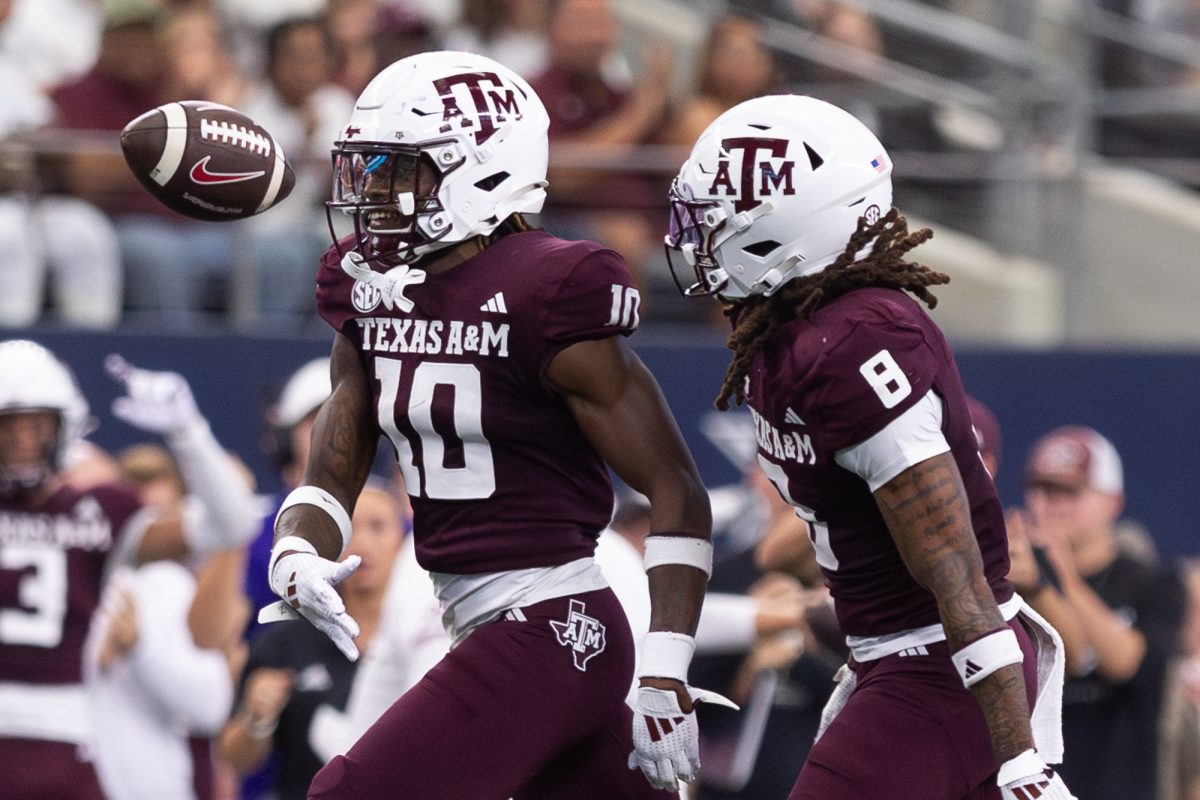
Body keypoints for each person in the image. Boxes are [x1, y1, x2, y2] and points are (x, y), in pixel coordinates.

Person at [260, 50, 726, 799]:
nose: (375, 190)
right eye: (371, 167)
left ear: (482, 169)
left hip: (555, 622)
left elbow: (676, 490)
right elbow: (338, 460)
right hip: (487, 621)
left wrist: (666, 668)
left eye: (399, 168)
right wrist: (296, 551)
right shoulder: (373, 286)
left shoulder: (550, 288)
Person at [663, 94, 1073, 800]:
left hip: (942, 671)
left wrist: (1021, 759)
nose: (699, 239)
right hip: (903, 662)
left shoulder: (855, 345)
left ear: (791, 225)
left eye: (719, 219)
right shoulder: (789, 337)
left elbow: (955, 568)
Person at [0, 341, 261, 800]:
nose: (22, 445)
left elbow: (232, 524)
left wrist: (189, 434)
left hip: (66, 734)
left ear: (65, 428)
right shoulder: (96, 514)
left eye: (35, 428)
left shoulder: (101, 513)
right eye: (8, 430)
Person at [1006, 426, 1186, 800]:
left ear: (1112, 501)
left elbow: (1128, 663)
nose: (1051, 503)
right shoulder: (1015, 582)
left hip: (1121, 784)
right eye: (1040, 488)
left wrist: (1065, 580)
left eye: (1068, 491)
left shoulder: (1153, 582)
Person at [219, 481, 406, 800]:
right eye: (349, 531)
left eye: (377, 527)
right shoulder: (284, 641)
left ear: (403, 539)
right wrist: (257, 719)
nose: (361, 543)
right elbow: (234, 758)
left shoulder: (430, 633)